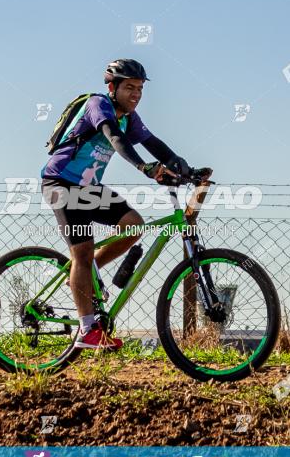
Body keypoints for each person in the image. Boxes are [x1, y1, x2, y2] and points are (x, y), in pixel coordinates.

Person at [41, 59, 190, 350]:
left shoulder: (129, 117)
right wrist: (144, 168)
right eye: (130, 88)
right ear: (112, 87)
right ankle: (86, 331)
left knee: (134, 226)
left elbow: (153, 142)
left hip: (88, 188)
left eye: (140, 89)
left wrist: (184, 167)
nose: (136, 94)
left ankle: (84, 274)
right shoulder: (99, 105)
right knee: (81, 252)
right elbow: (115, 138)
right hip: (61, 183)